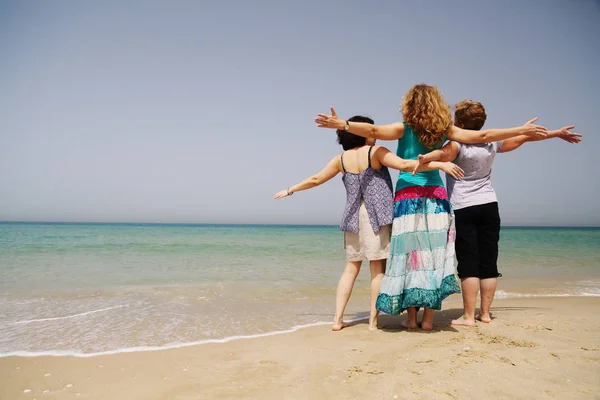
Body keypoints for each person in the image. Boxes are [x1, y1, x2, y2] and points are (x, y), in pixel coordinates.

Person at [314, 83, 548, 330]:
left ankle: (412, 319)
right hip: (436, 197)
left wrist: (343, 125)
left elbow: (372, 129)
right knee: (433, 256)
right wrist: (520, 129)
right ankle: (428, 320)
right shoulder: (445, 130)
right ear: (438, 104)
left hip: (406, 196)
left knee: (410, 256)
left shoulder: (402, 129)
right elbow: (482, 137)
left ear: (409, 105)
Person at [274, 115, 464, 331]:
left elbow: (316, 179)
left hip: (352, 218)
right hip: (376, 217)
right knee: (377, 270)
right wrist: (440, 165)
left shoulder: (341, 159)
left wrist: (290, 190)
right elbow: (403, 164)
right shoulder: (376, 152)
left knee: (350, 269)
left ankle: (337, 320)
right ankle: (373, 322)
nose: (373, 132)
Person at [413, 100, 582, 326]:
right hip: (489, 205)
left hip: (464, 206)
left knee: (468, 262)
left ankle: (467, 317)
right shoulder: (492, 142)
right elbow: (524, 138)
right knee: (489, 262)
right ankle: (484, 314)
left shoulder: (456, 144)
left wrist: (427, 158)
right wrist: (555, 134)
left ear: (461, 123)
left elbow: (442, 155)